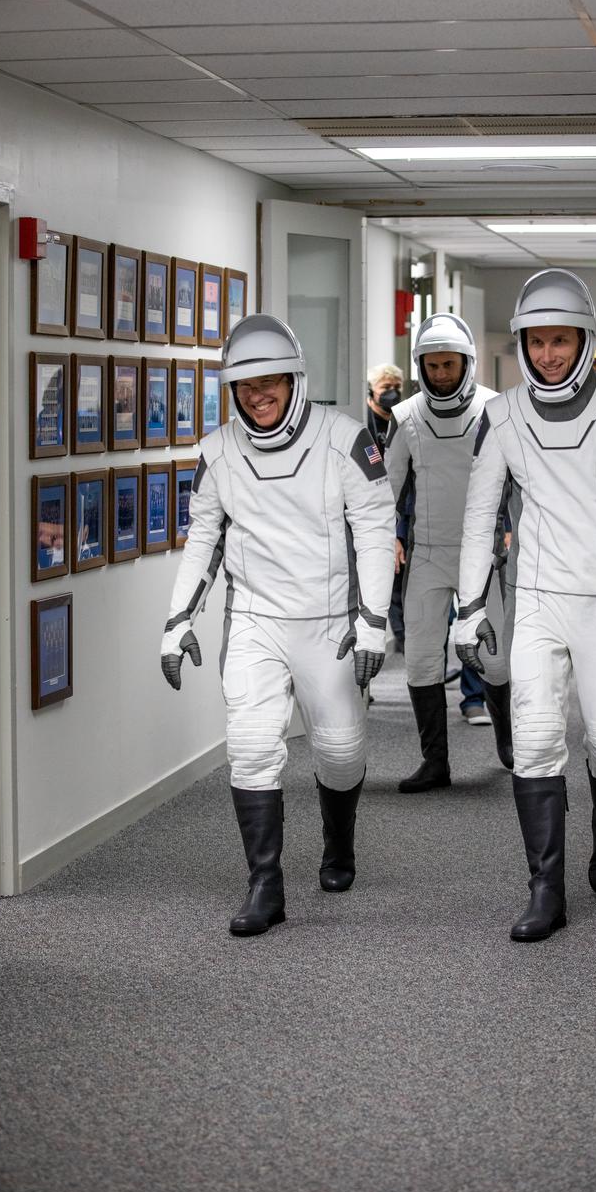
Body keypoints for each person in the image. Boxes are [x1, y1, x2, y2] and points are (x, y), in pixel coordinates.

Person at [455, 269, 596, 942]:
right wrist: (468, 609)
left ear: (583, 339)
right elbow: (477, 518)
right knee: (534, 739)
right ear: (521, 344)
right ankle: (544, 891)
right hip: (535, 603)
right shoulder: (499, 416)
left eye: (561, 340)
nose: (548, 354)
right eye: (536, 341)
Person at [160, 314, 394, 937]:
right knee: (252, 749)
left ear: (295, 380)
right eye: (245, 387)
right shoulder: (218, 452)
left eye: (271, 383)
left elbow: (375, 529)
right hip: (256, 622)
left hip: (330, 623)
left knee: (340, 753)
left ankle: (338, 843)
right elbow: (203, 537)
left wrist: (373, 619)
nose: (259, 397)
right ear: (231, 391)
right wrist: (178, 618)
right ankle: (265, 883)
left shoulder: (345, 440)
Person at [385, 313, 511, 793]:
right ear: (420, 366)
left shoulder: (497, 410)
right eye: (432, 366)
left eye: (449, 365)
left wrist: (514, 530)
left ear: (467, 364)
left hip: (484, 556)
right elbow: (387, 490)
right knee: (420, 660)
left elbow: (520, 480)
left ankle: (506, 739)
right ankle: (434, 762)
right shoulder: (405, 418)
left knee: (495, 661)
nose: (441, 374)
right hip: (428, 554)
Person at [367, 362, 406, 649]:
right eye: (385, 389)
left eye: (395, 389)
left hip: (400, 510)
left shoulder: (402, 421)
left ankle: (407, 641)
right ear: (371, 392)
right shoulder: (363, 423)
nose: (391, 394)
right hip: (370, 509)